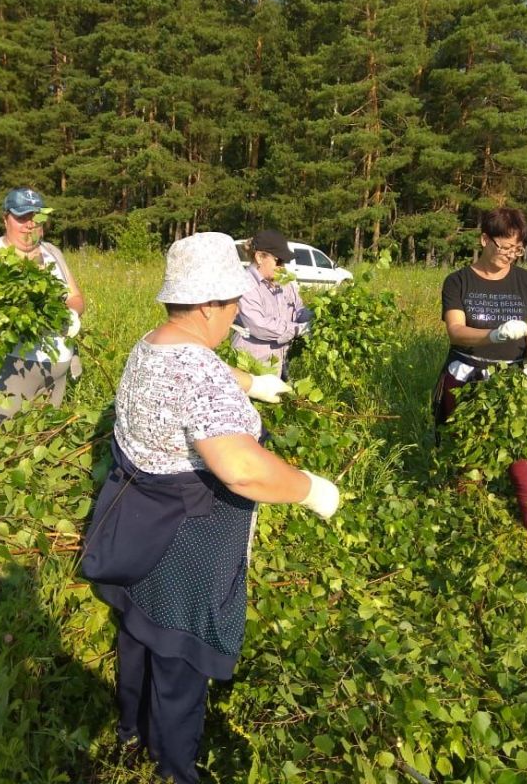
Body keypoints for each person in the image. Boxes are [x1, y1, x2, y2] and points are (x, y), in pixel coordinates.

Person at [82, 231, 339, 784]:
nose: (235, 314)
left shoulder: (151, 344)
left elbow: (195, 370)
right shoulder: (199, 372)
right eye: (231, 303)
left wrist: (253, 382)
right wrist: (310, 488)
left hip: (136, 528)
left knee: (139, 632)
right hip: (186, 541)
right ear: (207, 305)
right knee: (179, 656)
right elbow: (243, 469)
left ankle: (131, 734)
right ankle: (174, 768)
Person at [434, 207, 527, 536]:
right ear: (485, 239)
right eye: (505, 247)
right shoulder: (459, 281)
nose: (511, 255)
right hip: (467, 382)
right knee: (470, 466)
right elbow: (456, 331)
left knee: (524, 467)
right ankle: (469, 538)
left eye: (518, 248)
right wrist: (494, 335)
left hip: (512, 386)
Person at [0, 187, 85, 434]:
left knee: (43, 440)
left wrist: (70, 313)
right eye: (21, 217)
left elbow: (75, 297)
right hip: (10, 371)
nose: (29, 225)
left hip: (55, 370)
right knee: (4, 444)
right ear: (5, 219)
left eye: (36, 217)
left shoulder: (53, 253)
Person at [231, 229, 313, 377]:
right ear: (259, 257)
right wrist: (299, 329)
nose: (282, 266)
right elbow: (259, 325)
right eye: (279, 260)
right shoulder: (246, 284)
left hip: (281, 363)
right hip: (253, 367)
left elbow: (298, 309)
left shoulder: (284, 283)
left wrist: (317, 318)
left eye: (284, 261)